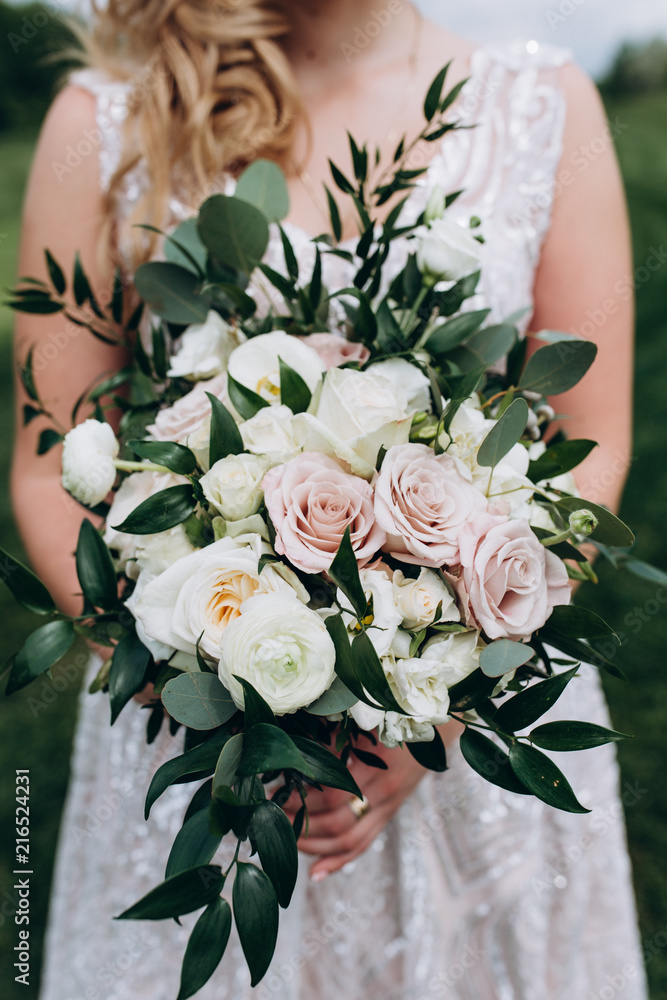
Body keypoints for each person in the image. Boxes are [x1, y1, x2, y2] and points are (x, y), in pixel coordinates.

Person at [11, 1, 647, 998]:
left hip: (467, 724)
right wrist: (212, 701)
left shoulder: (541, 107)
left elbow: (583, 441)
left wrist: (436, 711)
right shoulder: (106, 119)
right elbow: (45, 465)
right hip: (207, 739)